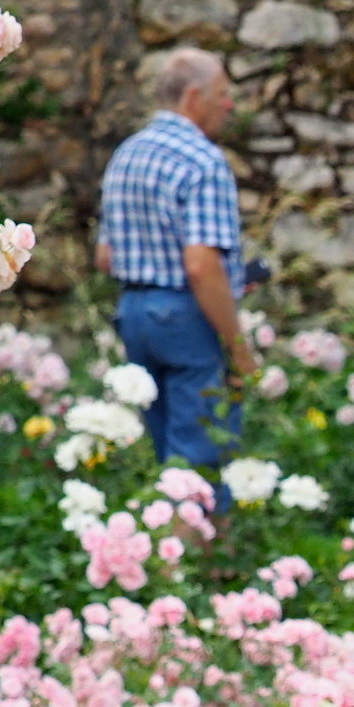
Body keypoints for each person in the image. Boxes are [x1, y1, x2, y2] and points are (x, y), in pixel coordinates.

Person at [96, 49, 260, 468]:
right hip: (186, 315)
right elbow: (201, 266)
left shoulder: (126, 155)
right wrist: (239, 349)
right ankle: (197, 533)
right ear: (192, 98)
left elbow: (105, 257)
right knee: (200, 459)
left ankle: (159, 529)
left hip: (133, 311)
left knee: (163, 451)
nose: (229, 104)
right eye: (222, 94)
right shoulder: (203, 160)